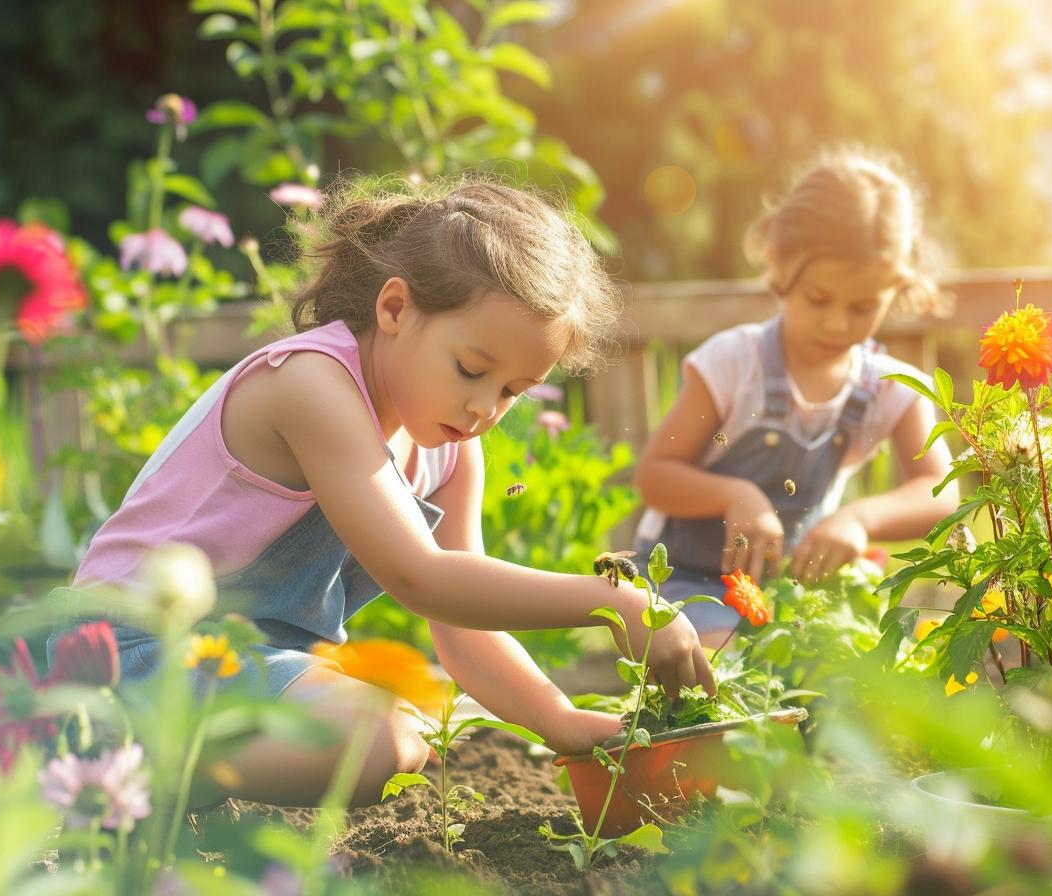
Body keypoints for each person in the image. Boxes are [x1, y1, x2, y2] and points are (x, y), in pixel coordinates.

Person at [49, 177, 714, 807]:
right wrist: (614, 604)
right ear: (395, 308)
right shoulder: (311, 385)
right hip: (125, 650)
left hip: (238, 660)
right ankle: (98, 749)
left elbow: (460, 626)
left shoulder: (451, 451)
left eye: (512, 390)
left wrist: (559, 719)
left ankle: (152, 775)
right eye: (472, 370)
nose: (485, 407)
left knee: (404, 730)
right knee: (374, 739)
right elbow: (419, 577)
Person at [633, 146, 959, 642]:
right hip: (685, 586)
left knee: (849, 671)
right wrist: (734, 495)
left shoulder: (893, 388)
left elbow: (941, 492)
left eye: (863, 306)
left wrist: (859, 518)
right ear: (780, 262)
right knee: (715, 662)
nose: (836, 322)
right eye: (819, 299)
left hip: (794, 596)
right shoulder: (733, 363)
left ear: (898, 286)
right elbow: (655, 476)